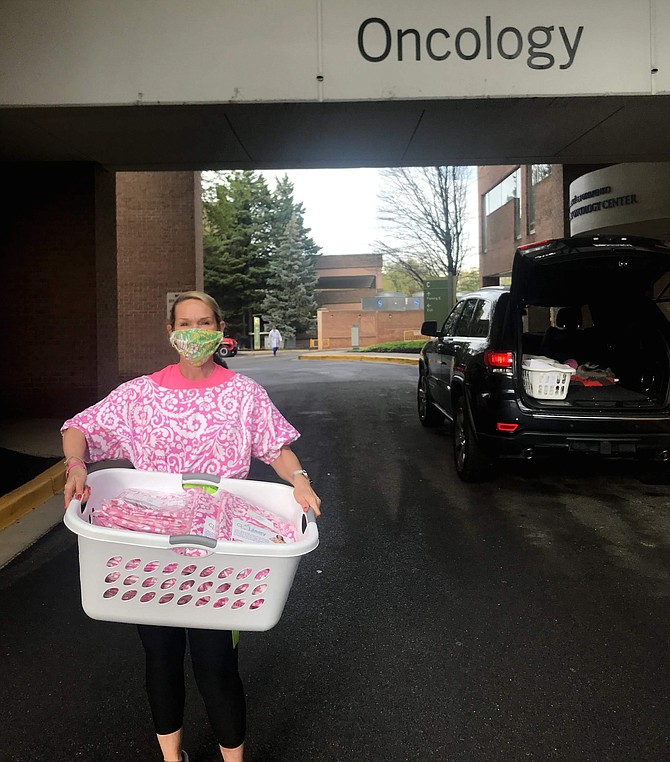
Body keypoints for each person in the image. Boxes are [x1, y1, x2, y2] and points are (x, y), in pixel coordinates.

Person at [61, 291, 321, 762]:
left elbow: (275, 446)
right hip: (149, 549)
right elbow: (80, 425)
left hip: (220, 554)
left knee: (215, 664)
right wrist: (77, 464)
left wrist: (299, 480)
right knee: (160, 659)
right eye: (185, 323)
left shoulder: (243, 393)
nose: (194, 333)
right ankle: (171, 757)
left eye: (204, 323)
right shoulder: (140, 394)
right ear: (170, 332)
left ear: (219, 331)